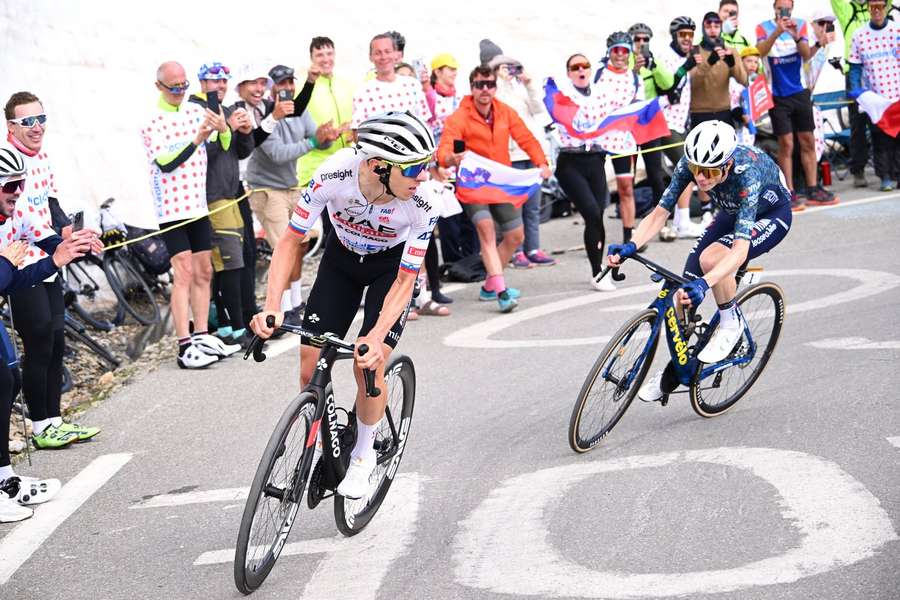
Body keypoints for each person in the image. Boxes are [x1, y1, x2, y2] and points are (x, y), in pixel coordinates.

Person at [250, 112, 438, 499]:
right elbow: (290, 242)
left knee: (367, 361)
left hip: (391, 269)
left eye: (427, 165)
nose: (423, 176)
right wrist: (272, 306)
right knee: (309, 365)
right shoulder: (333, 174)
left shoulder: (422, 202)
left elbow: (406, 280)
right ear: (377, 165)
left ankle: (364, 457)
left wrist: (376, 335)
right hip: (342, 261)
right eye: (415, 168)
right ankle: (325, 442)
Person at [608, 121, 792, 401]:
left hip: (770, 214)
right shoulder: (690, 164)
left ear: (727, 166)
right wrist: (632, 245)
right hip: (734, 211)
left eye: (709, 171)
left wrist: (707, 284)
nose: (702, 178)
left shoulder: (747, 175)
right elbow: (659, 213)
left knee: (711, 261)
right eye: (697, 170)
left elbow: (740, 250)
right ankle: (683, 367)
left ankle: (731, 324)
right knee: (681, 294)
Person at [0, 144, 98, 522]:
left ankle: (6, 478)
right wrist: (6, 263)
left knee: (8, 379)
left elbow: (17, 275)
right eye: (11, 186)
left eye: (21, 183)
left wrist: (60, 256)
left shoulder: (12, 213)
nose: (18, 193)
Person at [5, 91, 103, 445]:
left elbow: (49, 204)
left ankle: (55, 421)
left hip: (49, 257)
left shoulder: (42, 156)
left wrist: (68, 235)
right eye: (27, 121)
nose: (36, 127)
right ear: (10, 126)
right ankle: (41, 426)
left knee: (57, 339)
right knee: (39, 339)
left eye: (41, 119)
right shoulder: (7, 160)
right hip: (18, 262)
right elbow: (18, 214)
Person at [140, 62, 240, 368]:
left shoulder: (195, 111)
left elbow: (222, 143)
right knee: (182, 271)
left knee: (204, 271)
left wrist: (223, 129)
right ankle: (184, 345)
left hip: (197, 205)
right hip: (171, 207)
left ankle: (201, 335)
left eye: (184, 85)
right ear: (159, 86)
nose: (181, 91)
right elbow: (166, 162)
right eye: (174, 87)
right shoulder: (151, 121)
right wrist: (197, 139)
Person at [437, 66, 552, 313]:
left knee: (515, 236)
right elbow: (444, 150)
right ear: (472, 88)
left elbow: (526, 138)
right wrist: (451, 159)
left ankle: (490, 285)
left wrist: (542, 162)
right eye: (479, 85)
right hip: (473, 184)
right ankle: (501, 291)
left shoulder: (503, 111)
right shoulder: (460, 116)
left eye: (489, 84)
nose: (485, 89)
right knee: (486, 230)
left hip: (500, 182)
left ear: (495, 87)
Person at [246, 64, 338, 325]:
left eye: (290, 83)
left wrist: (327, 137)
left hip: (290, 184)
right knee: (282, 248)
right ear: (270, 88)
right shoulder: (265, 114)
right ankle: (282, 311)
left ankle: (296, 303)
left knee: (302, 242)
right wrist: (314, 143)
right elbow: (277, 155)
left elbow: (316, 137)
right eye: (281, 84)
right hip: (265, 187)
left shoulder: (299, 109)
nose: (286, 88)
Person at [188, 62, 256, 348]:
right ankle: (238, 328)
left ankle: (228, 326)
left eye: (224, 81)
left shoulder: (224, 111)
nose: (220, 86)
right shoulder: (194, 111)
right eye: (214, 81)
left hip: (231, 194)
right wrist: (224, 128)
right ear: (201, 82)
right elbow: (200, 151)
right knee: (230, 262)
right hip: (211, 195)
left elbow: (241, 152)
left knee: (230, 261)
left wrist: (245, 131)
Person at [756, 0, 837, 209]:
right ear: (774, 7)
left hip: (799, 92)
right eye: (780, 6)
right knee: (786, 144)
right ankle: (789, 192)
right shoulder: (763, 27)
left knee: (808, 140)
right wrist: (776, 32)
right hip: (777, 95)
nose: (784, 11)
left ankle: (812, 188)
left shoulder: (800, 24)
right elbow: (760, 53)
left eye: (788, 7)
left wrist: (795, 35)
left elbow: (805, 54)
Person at [553, 53, 618, 291]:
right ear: (569, 72)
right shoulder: (562, 96)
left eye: (585, 66)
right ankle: (597, 273)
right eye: (575, 67)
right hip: (570, 161)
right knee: (591, 212)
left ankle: (599, 267)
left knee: (598, 213)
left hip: (595, 159)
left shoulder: (600, 93)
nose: (581, 70)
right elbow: (547, 112)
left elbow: (614, 119)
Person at [492, 54, 556, 268]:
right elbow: (496, 106)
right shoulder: (495, 90)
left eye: (514, 67)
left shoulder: (521, 89)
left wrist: (529, 84)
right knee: (515, 206)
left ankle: (533, 248)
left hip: (532, 152)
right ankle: (516, 250)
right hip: (511, 155)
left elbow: (539, 109)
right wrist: (499, 79)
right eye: (505, 68)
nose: (510, 72)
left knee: (533, 206)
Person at [831, 0, 895, 188]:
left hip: (882, 73)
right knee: (858, 125)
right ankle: (858, 169)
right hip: (856, 73)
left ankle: (890, 171)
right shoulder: (847, 9)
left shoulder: (878, 5)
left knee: (887, 123)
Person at [658, 16, 711, 239]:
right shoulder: (667, 58)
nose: (687, 39)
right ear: (674, 36)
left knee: (688, 169)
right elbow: (668, 87)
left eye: (690, 34)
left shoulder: (685, 57)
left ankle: (681, 220)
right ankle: (683, 223)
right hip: (665, 123)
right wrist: (686, 67)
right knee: (688, 169)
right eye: (682, 35)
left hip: (680, 122)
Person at [594, 32, 643, 249]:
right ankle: (595, 236)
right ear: (610, 52)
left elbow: (640, 109)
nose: (621, 55)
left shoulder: (635, 78)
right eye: (616, 51)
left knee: (626, 188)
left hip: (623, 140)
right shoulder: (598, 74)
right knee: (597, 191)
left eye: (625, 51)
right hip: (599, 139)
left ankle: (628, 237)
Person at [848, 0, 900, 191]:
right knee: (880, 138)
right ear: (869, 9)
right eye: (873, 7)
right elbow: (855, 66)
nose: (877, 10)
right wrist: (856, 89)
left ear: (887, 7)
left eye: (880, 6)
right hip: (877, 98)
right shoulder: (859, 35)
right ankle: (885, 176)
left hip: (898, 94)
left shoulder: (897, 30)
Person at [629, 23, 676, 214]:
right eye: (637, 39)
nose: (641, 43)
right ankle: (629, 214)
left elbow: (668, 83)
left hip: (649, 120)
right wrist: (634, 71)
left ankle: (660, 215)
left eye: (645, 39)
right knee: (628, 173)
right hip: (629, 122)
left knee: (655, 170)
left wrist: (653, 66)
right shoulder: (625, 60)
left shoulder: (653, 60)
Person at [297, 36, 355, 188]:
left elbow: (359, 116)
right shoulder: (302, 86)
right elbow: (294, 122)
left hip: (348, 166)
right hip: (315, 168)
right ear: (311, 58)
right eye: (320, 55)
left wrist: (354, 128)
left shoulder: (347, 84)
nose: (325, 59)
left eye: (329, 54)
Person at [352, 34, 432, 130]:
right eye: (378, 53)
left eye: (387, 51)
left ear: (395, 54)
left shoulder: (413, 85)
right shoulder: (363, 92)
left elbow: (425, 124)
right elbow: (357, 132)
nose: (383, 56)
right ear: (371, 57)